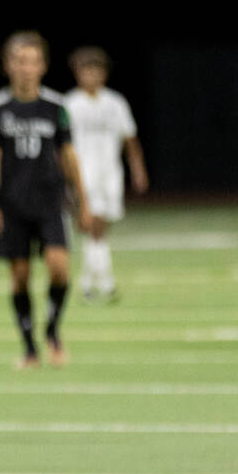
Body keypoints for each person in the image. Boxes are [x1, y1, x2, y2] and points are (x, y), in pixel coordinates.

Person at [0, 30, 92, 368]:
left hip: (50, 201)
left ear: (42, 65)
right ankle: (29, 348)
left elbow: (69, 155)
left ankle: (53, 332)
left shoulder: (56, 106)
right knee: (20, 276)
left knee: (59, 269)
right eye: (19, 61)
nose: (26, 68)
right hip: (13, 204)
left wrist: (83, 201)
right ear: (7, 65)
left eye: (32, 61)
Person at [65, 46, 149, 302]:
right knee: (93, 227)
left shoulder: (115, 102)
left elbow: (129, 139)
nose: (92, 76)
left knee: (100, 229)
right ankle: (103, 283)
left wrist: (138, 170)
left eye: (96, 70)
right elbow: (62, 146)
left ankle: (91, 282)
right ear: (77, 73)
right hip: (83, 175)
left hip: (110, 175)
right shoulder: (70, 104)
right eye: (86, 70)